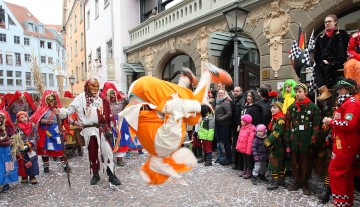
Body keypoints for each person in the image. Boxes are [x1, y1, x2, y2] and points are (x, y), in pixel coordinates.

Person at [117, 64, 232, 185]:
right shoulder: (153, 148)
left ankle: (206, 75)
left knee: (193, 112)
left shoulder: (166, 146)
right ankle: (186, 79)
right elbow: (173, 103)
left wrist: (200, 107)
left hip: (145, 89)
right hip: (138, 93)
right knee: (187, 109)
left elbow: (173, 106)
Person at [59, 79, 121, 186]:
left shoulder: (102, 97)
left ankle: (111, 175)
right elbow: (70, 110)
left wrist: (112, 125)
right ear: (87, 86)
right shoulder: (80, 98)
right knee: (93, 153)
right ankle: (95, 174)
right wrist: (62, 113)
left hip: (103, 129)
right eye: (92, 86)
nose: (95, 89)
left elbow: (108, 112)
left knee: (107, 151)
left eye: (97, 86)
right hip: (89, 130)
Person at [322, 78, 360, 207]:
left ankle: (340, 203)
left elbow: (349, 124)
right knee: (345, 174)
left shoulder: (352, 103)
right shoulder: (345, 102)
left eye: (340, 88)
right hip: (342, 143)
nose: (338, 91)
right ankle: (345, 202)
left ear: (348, 89)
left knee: (336, 172)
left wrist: (330, 122)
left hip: (346, 145)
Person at [285, 83, 321, 195]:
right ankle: (297, 182)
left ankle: (305, 183)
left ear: (305, 92)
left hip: (307, 140)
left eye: (299, 91)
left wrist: (313, 139)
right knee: (295, 161)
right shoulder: (292, 107)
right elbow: (287, 124)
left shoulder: (313, 107)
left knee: (306, 162)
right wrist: (287, 140)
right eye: (296, 92)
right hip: (294, 139)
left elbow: (316, 125)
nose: (297, 94)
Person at [30, 90, 69, 173]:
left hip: (57, 132)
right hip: (45, 132)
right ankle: (46, 166)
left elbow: (66, 117)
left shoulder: (59, 109)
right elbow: (34, 119)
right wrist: (45, 121)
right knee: (45, 149)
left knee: (60, 148)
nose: (51, 102)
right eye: (49, 100)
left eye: (53, 100)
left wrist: (76, 122)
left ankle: (65, 165)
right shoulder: (41, 109)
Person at [314, 14, 350, 101]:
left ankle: (332, 90)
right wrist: (322, 61)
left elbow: (348, 49)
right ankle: (324, 91)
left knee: (328, 68)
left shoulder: (342, 34)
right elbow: (317, 55)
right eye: (325, 22)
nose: (327, 23)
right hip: (325, 63)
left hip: (340, 61)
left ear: (335, 22)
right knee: (317, 67)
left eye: (329, 21)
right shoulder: (320, 38)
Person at [101, 82, 130, 167]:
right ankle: (107, 157)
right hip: (110, 123)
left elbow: (129, 104)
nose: (113, 96)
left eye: (114, 94)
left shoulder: (121, 102)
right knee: (109, 140)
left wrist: (125, 98)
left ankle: (119, 159)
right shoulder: (105, 103)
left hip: (120, 123)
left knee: (120, 141)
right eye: (111, 94)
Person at [264, 102, 286, 190]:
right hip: (277, 144)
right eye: (271, 107)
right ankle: (280, 180)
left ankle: (275, 182)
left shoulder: (280, 119)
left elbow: (277, 132)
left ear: (280, 109)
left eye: (275, 107)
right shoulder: (274, 118)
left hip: (278, 144)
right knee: (278, 161)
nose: (272, 109)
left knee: (274, 162)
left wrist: (268, 141)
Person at [15, 111, 39, 185]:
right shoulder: (16, 127)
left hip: (31, 147)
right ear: (18, 119)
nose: (24, 119)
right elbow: (15, 138)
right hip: (21, 147)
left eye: (25, 117)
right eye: (22, 117)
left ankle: (32, 176)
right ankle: (24, 176)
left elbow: (36, 136)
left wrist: (31, 143)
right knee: (23, 162)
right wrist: (20, 146)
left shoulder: (33, 125)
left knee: (32, 161)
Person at [0, 110, 18, 192]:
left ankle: (7, 182)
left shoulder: (8, 127)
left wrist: (13, 141)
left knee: (8, 166)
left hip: (7, 149)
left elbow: (13, 136)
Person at [215, 89, 233, 166]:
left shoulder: (226, 102)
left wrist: (220, 118)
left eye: (222, 93)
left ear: (225, 94)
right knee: (220, 141)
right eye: (219, 93)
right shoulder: (218, 101)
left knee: (226, 142)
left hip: (224, 125)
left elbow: (229, 113)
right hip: (218, 125)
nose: (220, 94)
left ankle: (228, 158)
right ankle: (222, 157)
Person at [236, 114, 256, 179]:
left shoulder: (251, 130)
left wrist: (248, 151)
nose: (241, 121)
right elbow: (239, 138)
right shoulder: (242, 128)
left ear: (246, 121)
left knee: (248, 161)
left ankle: (249, 172)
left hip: (247, 150)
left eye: (242, 120)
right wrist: (238, 147)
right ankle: (245, 170)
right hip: (242, 149)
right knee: (245, 160)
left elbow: (250, 142)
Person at [231, 86, 244, 171]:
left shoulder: (242, 100)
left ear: (241, 92)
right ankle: (236, 163)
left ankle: (239, 164)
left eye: (237, 91)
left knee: (239, 145)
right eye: (234, 91)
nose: (235, 92)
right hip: (234, 125)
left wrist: (239, 124)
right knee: (235, 144)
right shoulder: (234, 100)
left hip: (240, 126)